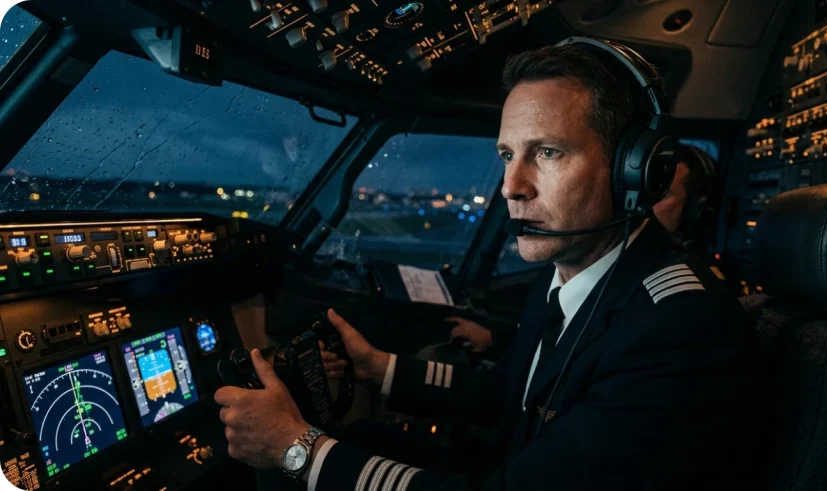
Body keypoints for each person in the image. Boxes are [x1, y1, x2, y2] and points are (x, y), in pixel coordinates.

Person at [214, 39, 761, 490]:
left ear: (632, 170)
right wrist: (380, 368)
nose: (511, 187)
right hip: (510, 463)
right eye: (507, 155)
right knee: (360, 441)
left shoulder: (677, 328)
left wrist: (297, 449)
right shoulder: (571, 272)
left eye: (548, 152)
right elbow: (509, 394)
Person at [451, 142, 724, 353]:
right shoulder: (568, 268)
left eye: (661, 194)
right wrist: (493, 337)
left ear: (695, 210)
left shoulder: (687, 300)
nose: (642, 204)